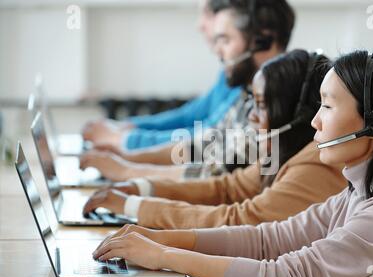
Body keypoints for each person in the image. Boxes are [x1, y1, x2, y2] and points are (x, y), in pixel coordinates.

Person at [91, 50, 373, 277]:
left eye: (328, 106)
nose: (315, 121)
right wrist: (162, 239)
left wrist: (164, 256)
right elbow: (267, 240)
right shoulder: (356, 195)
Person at [82, 49, 347, 229]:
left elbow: (240, 219)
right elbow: (228, 188)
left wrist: (135, 206)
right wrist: (140, 188)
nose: (252, 117)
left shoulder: (314, 164)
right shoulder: (281, 152)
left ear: (299, 116)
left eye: (261, 106)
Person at [80, 0, 296, 180]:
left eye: (226, 40)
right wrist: (131, 157)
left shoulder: (277, 101)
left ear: (263, 40)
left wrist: (130, 169)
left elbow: (222, 176)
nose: (218, 51)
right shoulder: (247, 93)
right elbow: (204, 144)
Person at [81, 0, 242, 150]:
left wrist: (125, 140)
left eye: (207, 14)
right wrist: (130, 127)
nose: (199, 25)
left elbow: (208, 140)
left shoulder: (247, 76)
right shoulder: (229, 71)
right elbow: (190, 117)